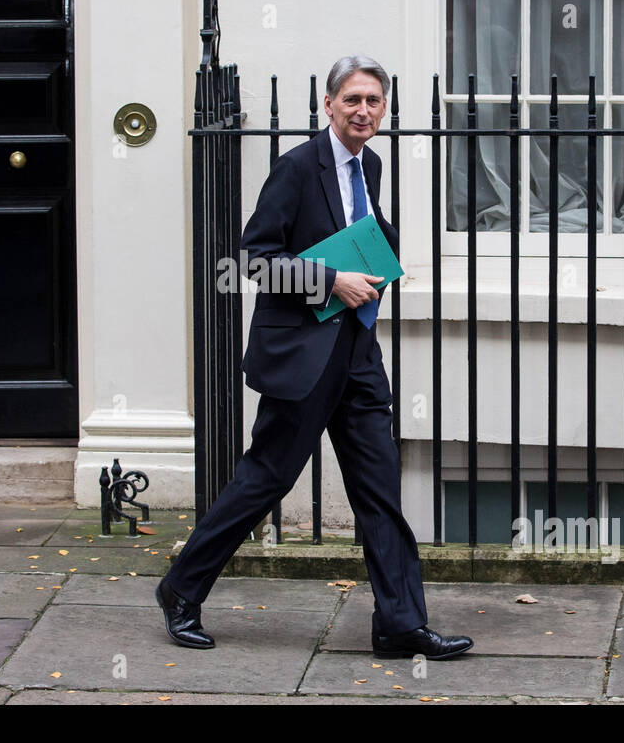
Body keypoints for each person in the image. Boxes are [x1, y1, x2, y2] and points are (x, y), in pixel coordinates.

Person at [157, 54, 474, 661]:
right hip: (303, 353)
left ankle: (400, 623)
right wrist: (330, 281)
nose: (362, 110)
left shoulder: (370, 165)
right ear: (328, 105)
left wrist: (380, 262)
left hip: (356, 349)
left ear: (384, 109)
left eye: (373, 101)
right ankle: (180, 589)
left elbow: (362, 230)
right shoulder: (297, 168)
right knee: (265, 480)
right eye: (352, 99)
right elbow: (252, 259)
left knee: (380, 489)